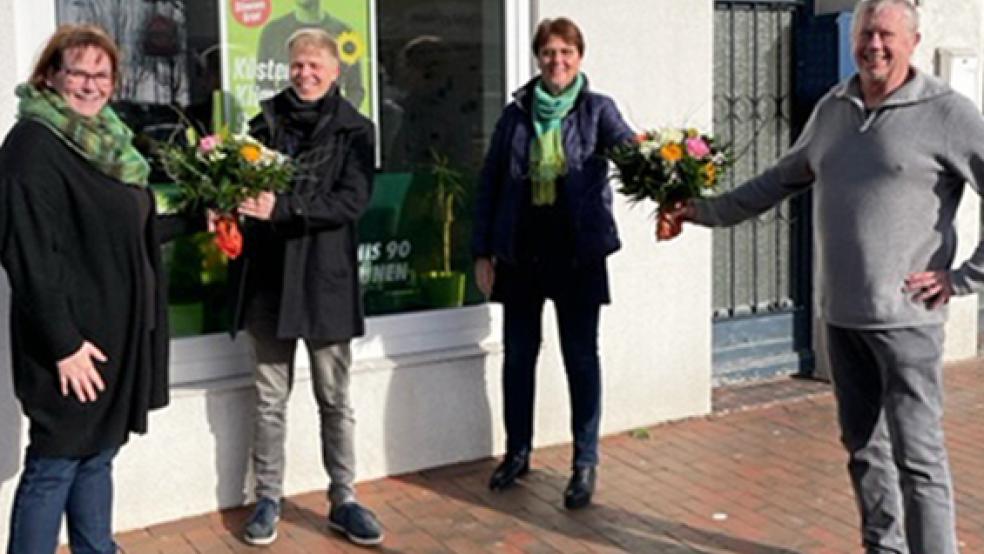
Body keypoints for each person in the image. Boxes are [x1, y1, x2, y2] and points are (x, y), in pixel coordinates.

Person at [665, 1, 984, 551]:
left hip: (907, 322)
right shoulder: (834, 107)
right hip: (841, 317)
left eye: (885, 34)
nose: (873, 45)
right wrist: (701, 210)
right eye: (865, 34)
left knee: (919, 458)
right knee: (863, 450)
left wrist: (963, 278)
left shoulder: (949, 113)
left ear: (913, 40)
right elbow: (778, 181)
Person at [0, 24, 200, 554]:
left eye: (101, 74)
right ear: (51, 76)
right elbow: (28, 253)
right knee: (55, 464)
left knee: (98, 455)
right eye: (78, 72)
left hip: (114, 335)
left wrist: (203, 218)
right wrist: (63, 345)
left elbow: (130, 231)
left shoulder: (109, 143)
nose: (90, 84)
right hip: (70, 343)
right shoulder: (33, 146)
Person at [471, 17, 634, 510]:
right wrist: (482, 251)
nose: (556, 61)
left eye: (565, 52)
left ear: (579, 57)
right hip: (521, 252)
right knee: (519, 357)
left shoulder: (597, 110)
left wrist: (666, 173)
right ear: (537, 58)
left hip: (577, 254)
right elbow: (491, 182)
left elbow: (630, 151)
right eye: (548, 52)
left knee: (580, 358)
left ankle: (584, 463)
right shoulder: (516, 113)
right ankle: (517, 453)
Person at [229, 28, 382, 547]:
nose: (306, 73)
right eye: (298, 65)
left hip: (325, 282)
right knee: (270, 399)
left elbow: (350, 203)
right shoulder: (262, 123)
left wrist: (284, 209)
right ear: (287, 69)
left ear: (336, 71)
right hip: (269, 281)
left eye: (316, 65)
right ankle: (268, 498)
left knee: (334, 398)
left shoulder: (356, 131)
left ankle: (344, 498)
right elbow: (242, 187)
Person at [255, 0, 365, 108]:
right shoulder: (273, 32)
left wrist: (338, 120)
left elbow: (355, 89)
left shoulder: (344, 34)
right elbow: (263, 86)